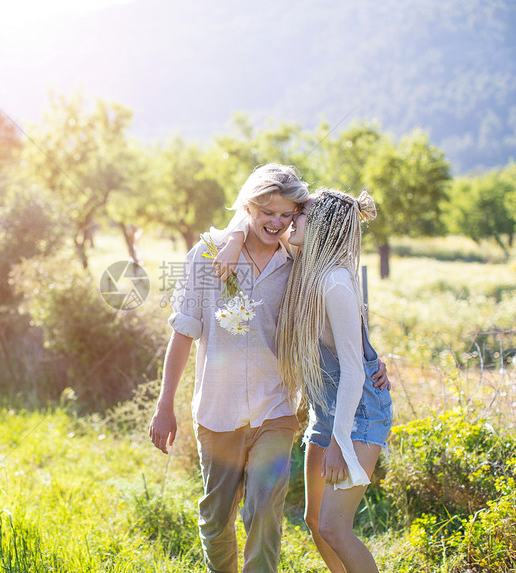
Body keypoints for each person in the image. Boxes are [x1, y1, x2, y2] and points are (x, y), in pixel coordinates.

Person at [148, 164, 387, 573]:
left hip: (275, 410)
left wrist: (368, 357)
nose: (277, 223)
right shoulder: (207, 256)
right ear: (248, 207)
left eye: (287, 215)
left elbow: (340, 311)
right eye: (266, 212)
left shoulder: (297, 259)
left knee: (264, 511)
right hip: (217, 413)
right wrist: (164, 403)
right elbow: (183, 332)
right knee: (215, 517)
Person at [277, 188, 392, 573]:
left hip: (356, 414)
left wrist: (340, 442)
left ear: (322, 225)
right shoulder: (307, 267)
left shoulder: (336, 282)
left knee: (335, 527)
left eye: (302, 214)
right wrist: (228, 247)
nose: (291, 219)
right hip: (328, 411)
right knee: (315, 523)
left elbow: (355, 369)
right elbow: (255, 225)